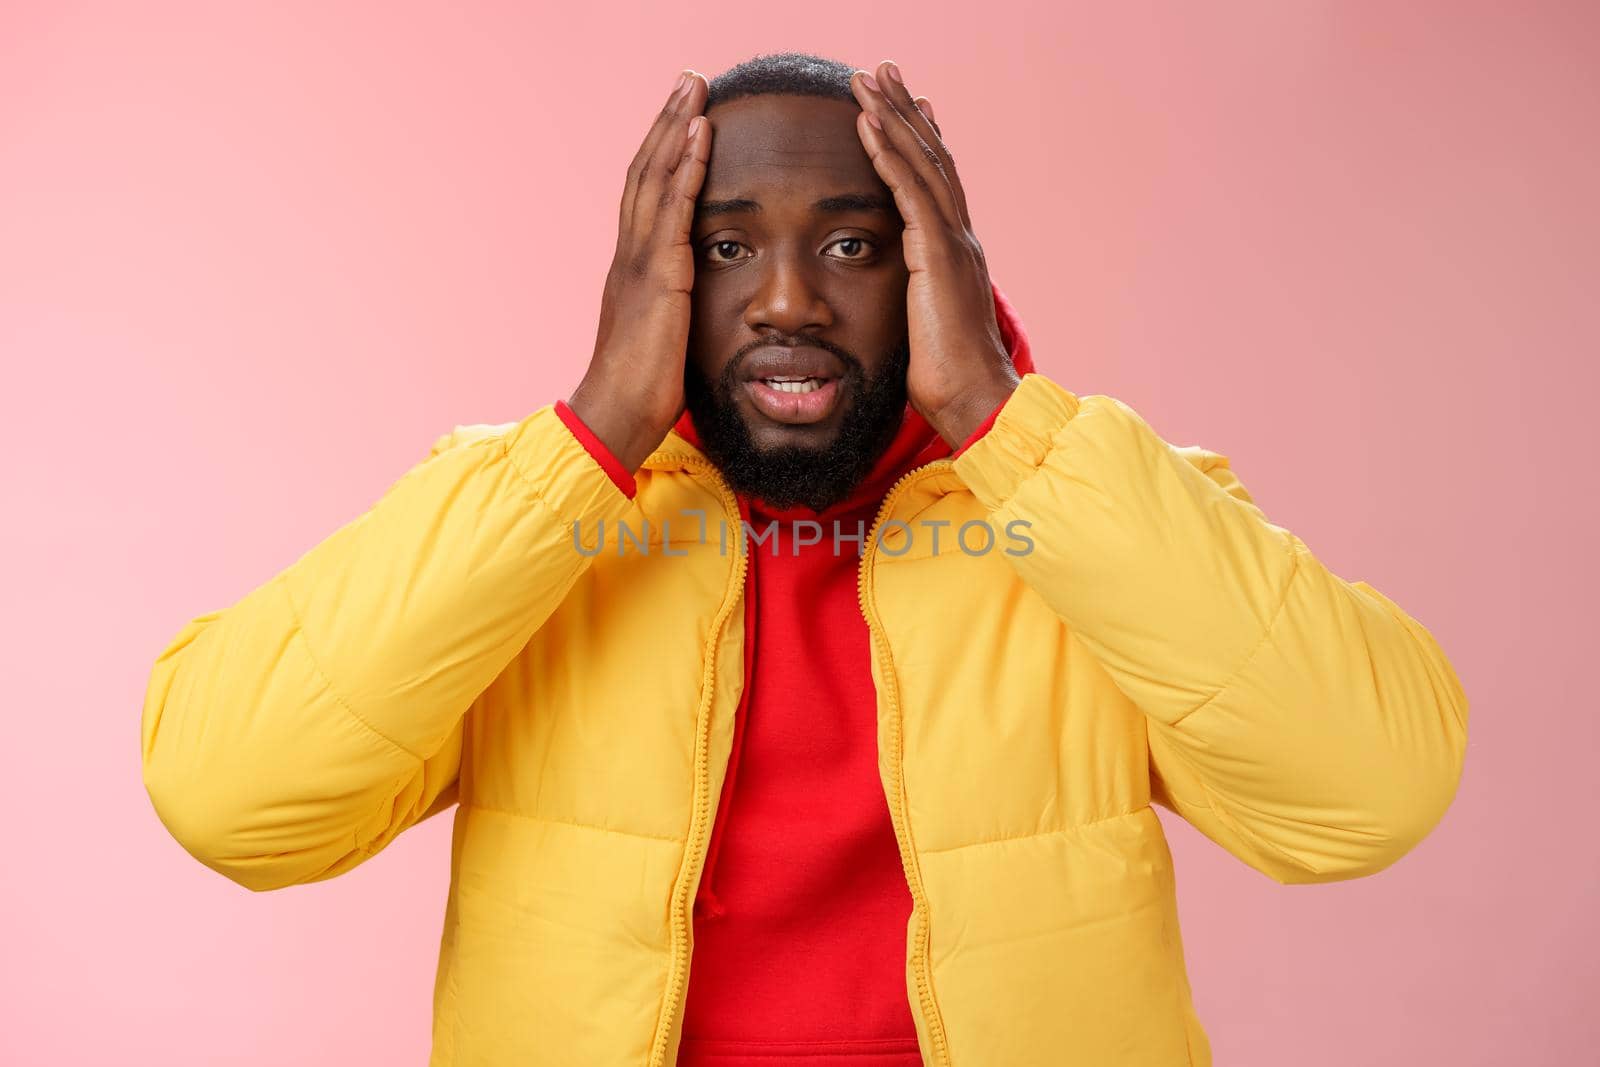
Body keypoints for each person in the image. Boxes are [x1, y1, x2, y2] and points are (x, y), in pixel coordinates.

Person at [140, 51, 1470, 1067]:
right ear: (653, 277)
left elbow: (1371, 793)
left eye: (853, 243)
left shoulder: (1097, 520)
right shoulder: (526, 530)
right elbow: (229, 797)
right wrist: (592, 430)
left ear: (933, 272)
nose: (787, 299)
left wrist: (1007, 422)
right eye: (725, 248)